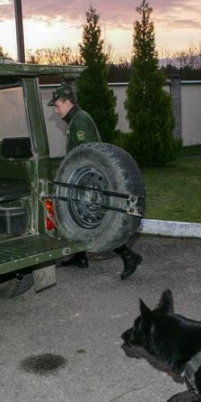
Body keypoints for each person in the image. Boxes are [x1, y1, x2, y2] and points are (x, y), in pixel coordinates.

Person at [48, 84, 142, 279]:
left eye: (57, 106)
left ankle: (129, 256)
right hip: (85, 179)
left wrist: (84, 183)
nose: (56, 111)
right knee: (77, 217)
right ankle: (79, 257)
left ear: (68, 102)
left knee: (101, 223)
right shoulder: (76, 119)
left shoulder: (79, 120)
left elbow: (88, 153)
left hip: (88, 181)